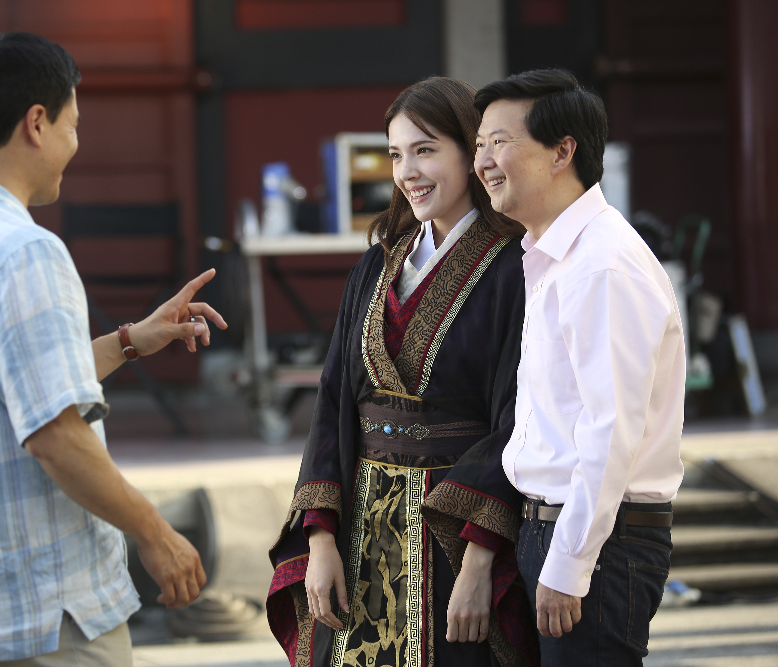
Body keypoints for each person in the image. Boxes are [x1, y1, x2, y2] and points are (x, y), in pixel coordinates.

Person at [0, 32, 226, 665]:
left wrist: (130, 342)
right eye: (74, 125)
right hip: (46, 611)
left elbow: (7, 387)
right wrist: (156, 533)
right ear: (37, 123)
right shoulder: (25, 251)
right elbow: (54, 436)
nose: (76, 144)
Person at [267, 77, 539, 667]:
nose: (408, 171)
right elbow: (334, 400)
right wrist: (320, 537)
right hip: (362, 526)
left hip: (453, 529)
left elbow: (518, 420)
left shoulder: (513, 270)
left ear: (471, 153)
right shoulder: (376, 264)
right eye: (396, 154)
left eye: (425, 150)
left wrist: (481, 559)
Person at [473, 69, 685, 666]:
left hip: (599, 537)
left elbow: (610, 427)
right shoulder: (555, 255)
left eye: (501, 142)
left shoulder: (601, 265)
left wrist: (569, 563)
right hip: (559, 526)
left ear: (563, 151)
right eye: (480, 144)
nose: (484, 160)